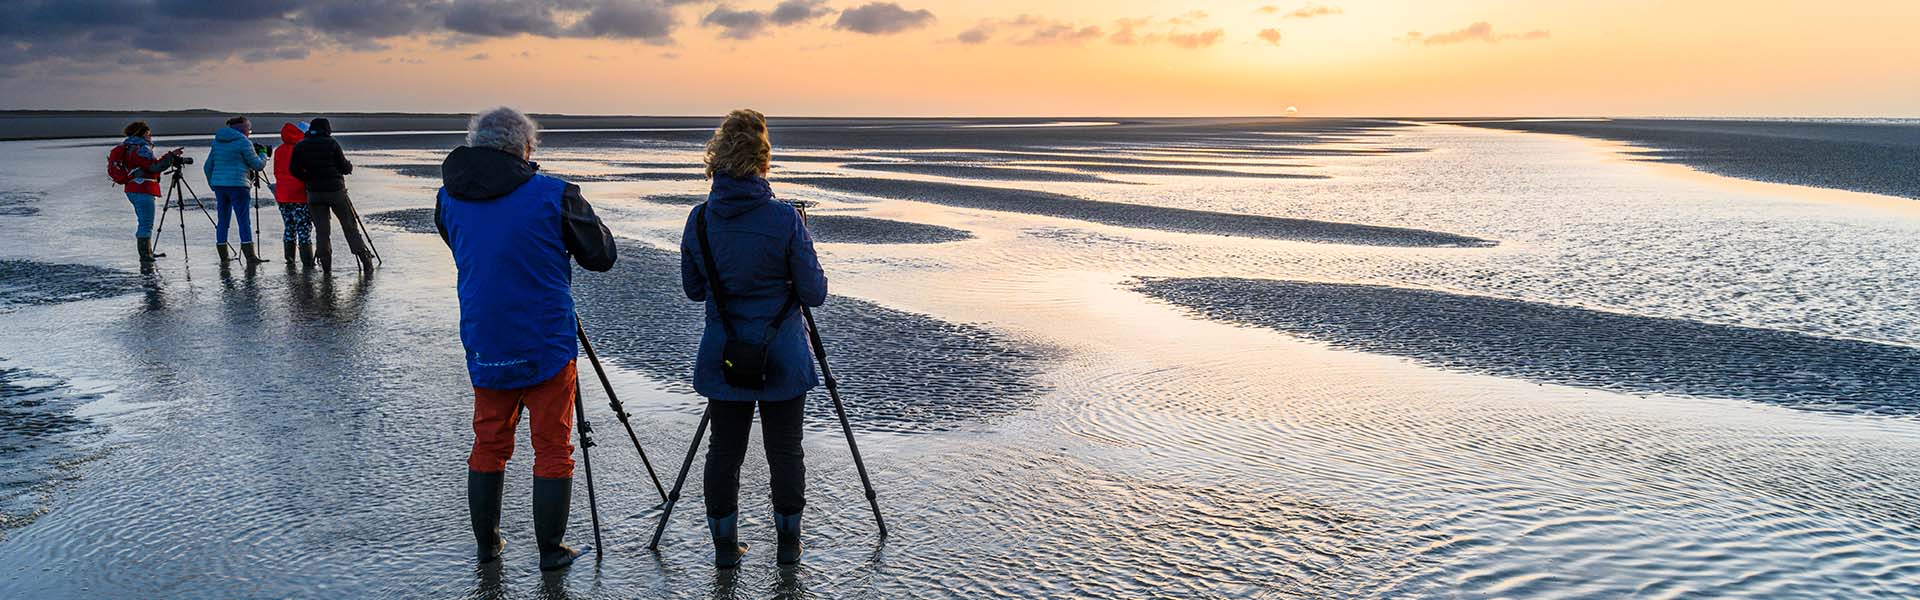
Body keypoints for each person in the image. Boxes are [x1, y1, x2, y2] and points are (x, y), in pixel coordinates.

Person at [434, 106, 616, 571]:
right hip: (546, 338)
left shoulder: (448, 196)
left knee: (489, 440)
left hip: (485, 335)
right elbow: (601, 256)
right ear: (524, 148)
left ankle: (488, 544)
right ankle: (551, 551)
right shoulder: (554, 194)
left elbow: (463, 246)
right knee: (553, 445)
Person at [680, 109, 827, 569]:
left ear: (716, 160)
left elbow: (693, 288)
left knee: (725, 450)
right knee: (785, 449)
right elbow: (814, 293)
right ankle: (789, 544)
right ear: (763, 161)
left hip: (726, 354)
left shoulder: (701, 220)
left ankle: (725, 549)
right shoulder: (784, 220)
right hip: (780, 354)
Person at [290, 117, 372, 275]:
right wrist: (348, 167)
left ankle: (326, 267)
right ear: (326, 129)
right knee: (349, 226)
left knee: (322, 231)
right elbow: (343, 166)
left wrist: (307, 178)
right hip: (335, 191)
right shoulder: (331, 143)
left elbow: (293, 169)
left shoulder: (301, 145)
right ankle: (365, 259)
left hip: (314, 193)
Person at [111, 121, 184, 262]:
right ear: (143, 133)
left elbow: (148, 166)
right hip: (142, 188)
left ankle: (148, 252)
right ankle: (145, 256)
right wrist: (170, 157)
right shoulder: (141, 149)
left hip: (133, 187)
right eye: (149, 134)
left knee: (144, 221)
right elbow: (154, 167)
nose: (150, 137)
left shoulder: (129, 146)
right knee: (146, 223)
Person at [203, 116, 269, 264]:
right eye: (249, 130)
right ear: (243, 129)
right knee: (243, 220)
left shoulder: (217, 142)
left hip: (220, 186)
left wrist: (213, 184)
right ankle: (250, 257)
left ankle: (223, 257)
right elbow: (258, 165)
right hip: (238, 185)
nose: (249, 133)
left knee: (223, 220)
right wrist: (263, 154)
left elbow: (207, 167)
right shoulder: (243, 142)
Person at [272, 121, 315, 267]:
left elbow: (277, 172)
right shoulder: (304, 148)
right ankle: (307, 261)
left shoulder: (279, 150)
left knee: (289, 226)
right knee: (303, 227)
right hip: (299, 194)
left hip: (282, 194)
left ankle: (289, 258)